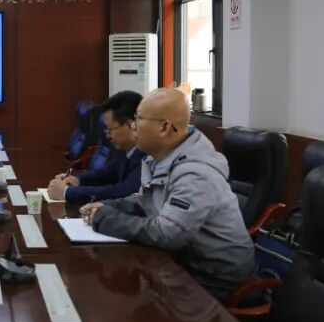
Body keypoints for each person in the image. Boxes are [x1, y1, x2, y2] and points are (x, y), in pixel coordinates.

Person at [81, 88, 256, 300]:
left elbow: (168, 234)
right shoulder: (158, 159)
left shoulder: (196, 174)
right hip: (182, 265)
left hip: (215, 281)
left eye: (138, 119)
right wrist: (107, 206)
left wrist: (106, 219)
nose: (133, 125)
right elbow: (144, 201)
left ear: (164, 128)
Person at [47, 90, 144, 204]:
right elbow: (108, 172)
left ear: (130, 125)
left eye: (110, 129)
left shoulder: (147, 154)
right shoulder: (124, 149)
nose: (107, 135)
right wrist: (78, 180)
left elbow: (123, 192)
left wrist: (67, 192)